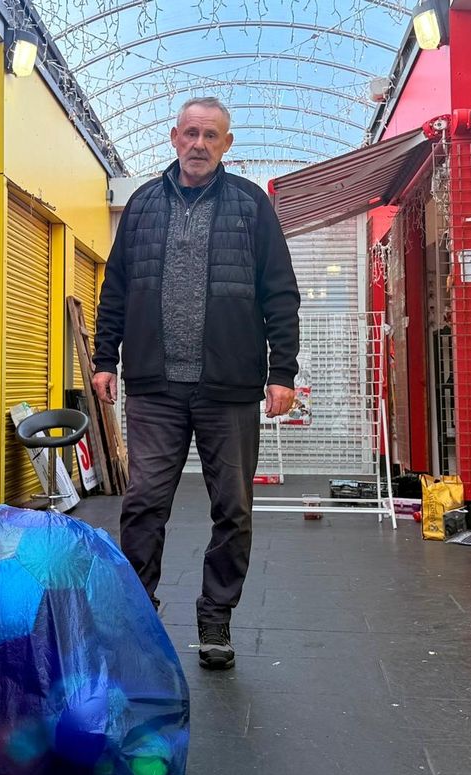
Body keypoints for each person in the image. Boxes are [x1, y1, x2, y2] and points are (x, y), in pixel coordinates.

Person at [91, 98, 301, 670]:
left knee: (232, 509)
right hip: (155, 386)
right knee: (143, 502)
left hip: (228, 388)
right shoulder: (140, 206)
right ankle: (137, 616)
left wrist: (282, 371)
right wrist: (104, 357)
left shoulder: (251, 206)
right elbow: (115, 288)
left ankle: (216, 620)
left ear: (227, 144)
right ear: (173, 137)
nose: (199, 144)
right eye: (190, 133)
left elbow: (280, 292)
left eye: (211, 135)